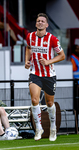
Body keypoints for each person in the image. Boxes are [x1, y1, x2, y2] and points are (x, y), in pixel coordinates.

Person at [25, 13, 65, 141]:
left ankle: (53, 128)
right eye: (38, 21)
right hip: (35, 73)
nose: (40, 22)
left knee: (49, 103)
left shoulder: (53, 39)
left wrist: (48, 62)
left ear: (47, 25)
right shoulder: (30, 36)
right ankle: (38, 128)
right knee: (35, 100)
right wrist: (27, 60)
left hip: (49, 75)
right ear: (36, 23)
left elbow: (62, 55)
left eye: (42, 21)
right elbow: (28, 48)